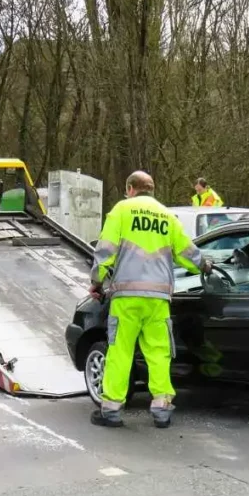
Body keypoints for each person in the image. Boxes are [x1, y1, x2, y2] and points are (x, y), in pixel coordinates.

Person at [89, 170, 212, 429]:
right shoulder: (167, 216)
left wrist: (97, 282)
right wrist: (205, 266)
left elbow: (105, 251)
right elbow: (188, 253)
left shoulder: (121, 211)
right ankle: (161, 409)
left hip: (127, 297)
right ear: (152, 190)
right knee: (159, 353)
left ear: (130, 189)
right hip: (158, 299)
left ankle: (111, 409)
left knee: (120, 352)